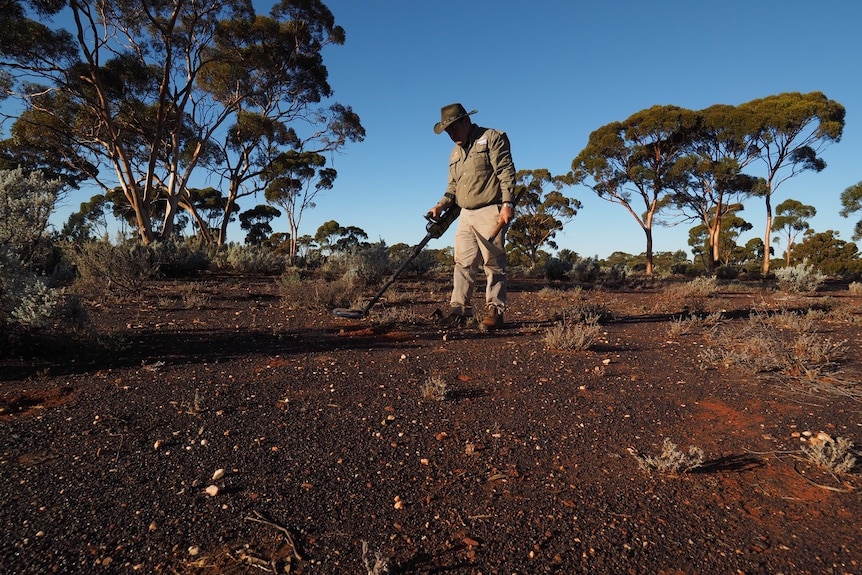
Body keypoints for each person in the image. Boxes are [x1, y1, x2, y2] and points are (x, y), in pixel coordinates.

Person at [428, 103, 516, 331]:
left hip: (490, 210)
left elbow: (506, 171)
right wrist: (440, 205)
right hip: (465, 214)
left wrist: (507, 204)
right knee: (463, 263)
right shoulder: (455, 153)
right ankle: (460, 311)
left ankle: (495, 311)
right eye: (447, 132)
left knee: (493, 263)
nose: (451, 135)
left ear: (466, 122)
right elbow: (453, 186)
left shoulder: (492, 138)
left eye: (454, 129)